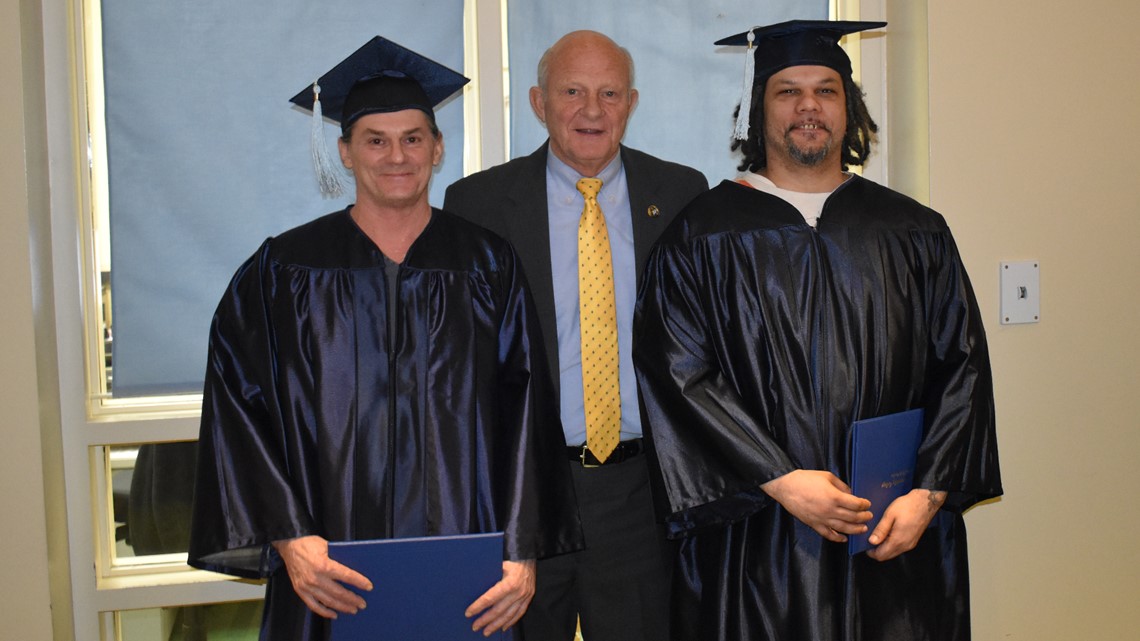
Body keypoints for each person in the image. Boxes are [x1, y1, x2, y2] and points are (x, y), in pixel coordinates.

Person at [188, 36, 581, 641]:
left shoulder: (486, 264)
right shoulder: (285, 269)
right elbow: (239, 407)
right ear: (345, 152)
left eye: (413, 138)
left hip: (467, 558)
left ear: (438, 148)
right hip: (328, 560)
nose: (396, 155)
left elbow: (526, 407)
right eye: (376, 140)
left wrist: (522, 550)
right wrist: (290, 536)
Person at [633, 20, 1003, 641]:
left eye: (827, 90)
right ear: (759, 110)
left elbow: (961, 366)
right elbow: (679, 374)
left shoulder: (913, 230)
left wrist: (930, 496)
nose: (809, 106)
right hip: (760, 532)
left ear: (849, 108)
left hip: (892, 526)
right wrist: (780, 478)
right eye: (788, 91)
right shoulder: (702, 236)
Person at [444, 30, 708, 641]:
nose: (593, 110)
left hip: (641, 493)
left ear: (632, 102)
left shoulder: (680, 196)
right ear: (539, 102)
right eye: (573, 91)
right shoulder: (477, 204)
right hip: (528, 494)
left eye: (610, 93)